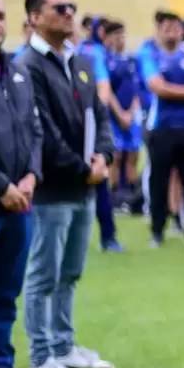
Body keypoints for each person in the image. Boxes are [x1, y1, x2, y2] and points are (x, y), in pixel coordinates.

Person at [16, 0, 116, 368]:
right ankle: (41, 356)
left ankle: (63, 345)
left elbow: (100, 117)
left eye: (71, 6)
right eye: (59, 8)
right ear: (35, 17)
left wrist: (104, 157)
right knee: (44, 273)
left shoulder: (81, 61)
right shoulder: (28, 66)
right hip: (53, 189)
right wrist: (81, 168)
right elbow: (42, 129)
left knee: (70, 271)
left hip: (84, 186)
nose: (69, 12)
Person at [0, 0, 44, 368]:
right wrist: (1, 186)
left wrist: (31, 175)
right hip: (2, 196)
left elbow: (34, 131)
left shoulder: (17, 72)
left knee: (5, 293)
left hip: (18, 204)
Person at [140, 12, 184, 246]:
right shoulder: (151, 56)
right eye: (166, 28)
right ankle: (157, 231)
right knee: (159, 182)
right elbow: (157, 87)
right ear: (158, 31)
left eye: (175, 28)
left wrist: (170, 88)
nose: (171, 33)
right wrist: (182, 90)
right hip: (160, 128)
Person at [77, 16, 121, 251]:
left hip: (82, 127)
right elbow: (104, 88)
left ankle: (107, 236)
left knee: (99, 178)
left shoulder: (86, 52)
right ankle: (107, 237)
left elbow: (103, 88)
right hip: (80, 129)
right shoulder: (93, 52)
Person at [103, 21, 142, 212]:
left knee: (133, 155)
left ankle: (132, 197)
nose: (121, 38)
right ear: (108, 38)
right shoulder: (106, 60)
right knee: (115, 156)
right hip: (114, 117)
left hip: (131, 115)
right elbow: (107, 91)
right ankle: (114, 197)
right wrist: (120, 114)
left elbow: (137, 90)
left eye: (123, 34)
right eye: (116, 35)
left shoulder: (132, 61)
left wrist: (131, 113)